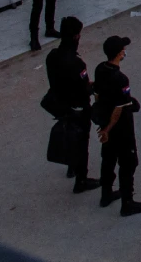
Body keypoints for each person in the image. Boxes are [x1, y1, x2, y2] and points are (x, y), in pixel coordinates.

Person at [93, 35, 141, 216]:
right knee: (128, 163)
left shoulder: (99, 69)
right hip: (120, 128)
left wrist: (103, 124)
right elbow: (119, 108)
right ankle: (127, 203)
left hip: (105, 120)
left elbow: (97, 94)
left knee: (108, 158)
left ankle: (106, 193)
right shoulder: (121, 79)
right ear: (120, 54)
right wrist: (107, 130)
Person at [43, 15, 99, 191]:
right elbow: (84, 88)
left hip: (60, 105)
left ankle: (71, 167)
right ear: (76, 36)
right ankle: (81, 179)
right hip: (78, 107)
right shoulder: (76, 63)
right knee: (82, 141)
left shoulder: (52, 56)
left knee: (70, 134)